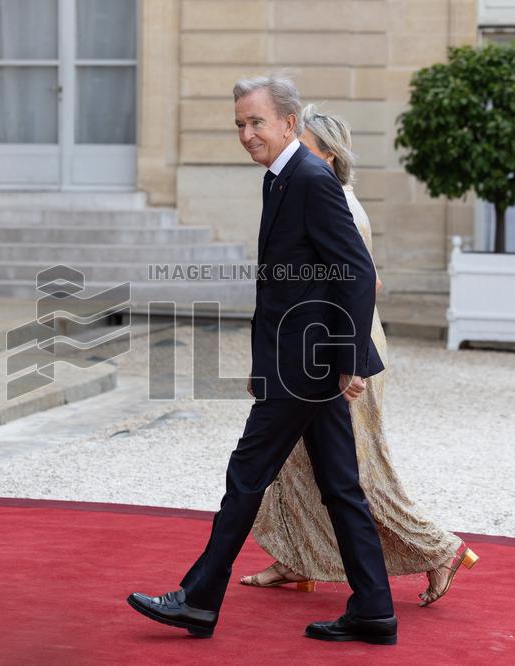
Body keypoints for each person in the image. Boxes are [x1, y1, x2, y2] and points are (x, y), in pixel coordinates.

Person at [127, 76, 397, 645]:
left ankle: (199, 599)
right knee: (340, 485)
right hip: (296, 360)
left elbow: (355, 273)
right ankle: (374, 608)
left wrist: (349, 360)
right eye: (240, 125)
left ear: (289, 123)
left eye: (256, 123)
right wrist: (262, 363)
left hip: (308, 365)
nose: (247, 135)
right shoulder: (281, 178)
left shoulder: (310, 178)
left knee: (246, 474)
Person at [241, 106, 478, 607]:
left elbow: (365, 281)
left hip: (338, 348)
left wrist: (344, 360)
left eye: (300, 144)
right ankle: (296, 557)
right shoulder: (307, 192)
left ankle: (438, 550)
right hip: (312, 345)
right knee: (295, 461)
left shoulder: (334, 200)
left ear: (327, 155)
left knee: (354, 469)